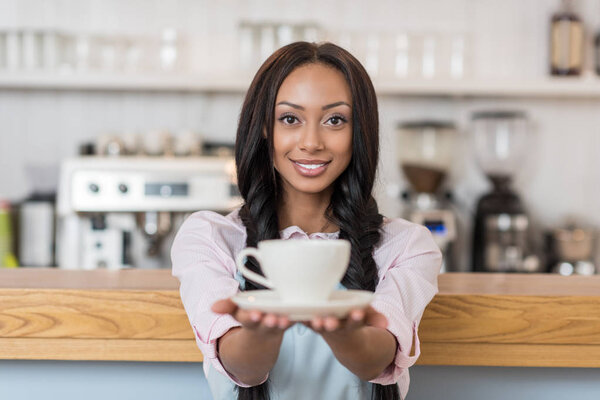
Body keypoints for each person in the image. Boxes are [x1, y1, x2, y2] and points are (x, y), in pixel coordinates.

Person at [171, 41, 442, 400]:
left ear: (358, 131)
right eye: (290, 119)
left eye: (334, 120)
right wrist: (262, 331)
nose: (311, 142)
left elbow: (378, 361)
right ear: (265, 128)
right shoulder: (209, 238)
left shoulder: (407, 244)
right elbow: (240, 367)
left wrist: (344, 332)